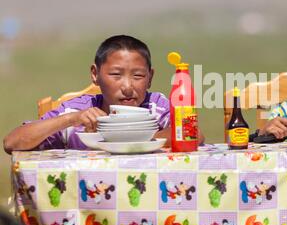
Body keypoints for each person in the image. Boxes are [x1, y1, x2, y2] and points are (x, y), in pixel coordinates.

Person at [3, 35, 204, 153]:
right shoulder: (77, 110)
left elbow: (195, 135)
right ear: (95, 74)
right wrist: (70, 119)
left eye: (138, 75)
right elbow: (11, 143)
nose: (127, 87)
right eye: (116, 75)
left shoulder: (156, 106)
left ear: (150, 77)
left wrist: (134, 140)